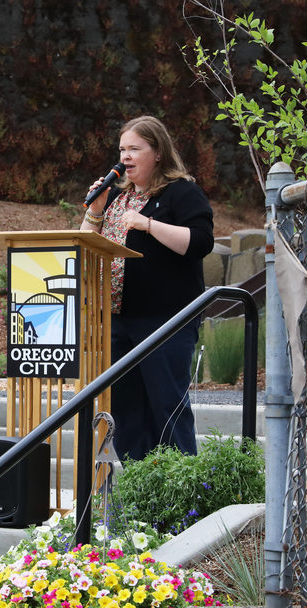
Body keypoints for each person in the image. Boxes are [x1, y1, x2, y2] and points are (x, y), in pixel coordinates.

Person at [81, 115, 214, 460]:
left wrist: (149, 224)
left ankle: (183, 497)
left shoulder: (181, 192)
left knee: (166, 407)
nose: (125, 156)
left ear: (157, 153)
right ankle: (138, 497)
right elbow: (85, 243)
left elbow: (200, 242)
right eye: (122, 149)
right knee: (127, 413)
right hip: (116, 320)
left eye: (134, 149)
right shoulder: (116, 198)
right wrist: (96, 210)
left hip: (165, 320)